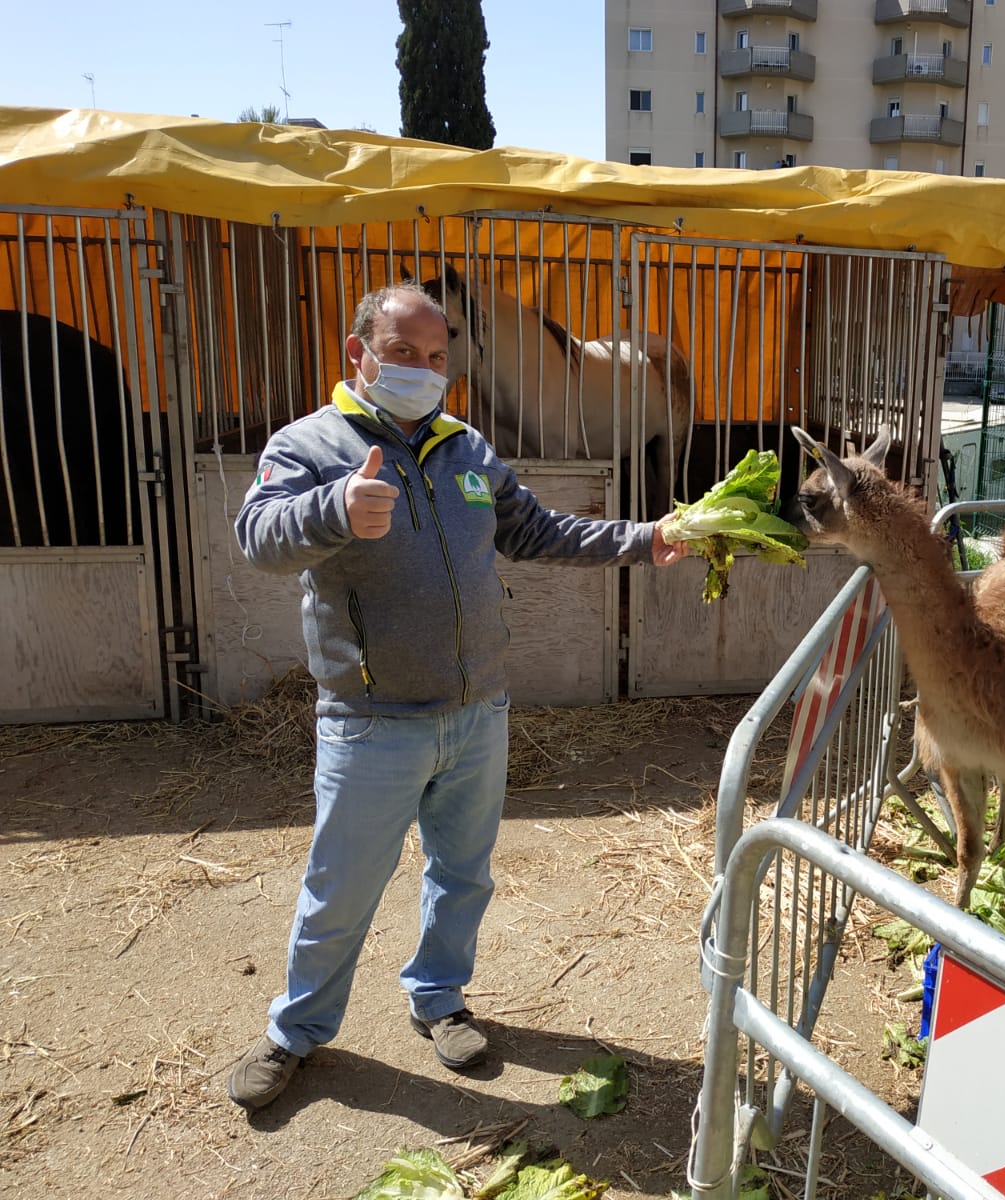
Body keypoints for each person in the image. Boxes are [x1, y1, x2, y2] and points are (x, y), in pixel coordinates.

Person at [226, 282, 684, 1111]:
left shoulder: (465, 447)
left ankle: (438, 997)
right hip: (372, 721)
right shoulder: (310, 445)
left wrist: (644, 538)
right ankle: (296, 1031)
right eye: (403, 352)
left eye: (437, 356)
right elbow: (258, 538)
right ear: (359, 354)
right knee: (340, 891)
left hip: (477, 714)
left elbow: (537, 529)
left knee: (463, 875)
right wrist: (334, 508)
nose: (423, 369)